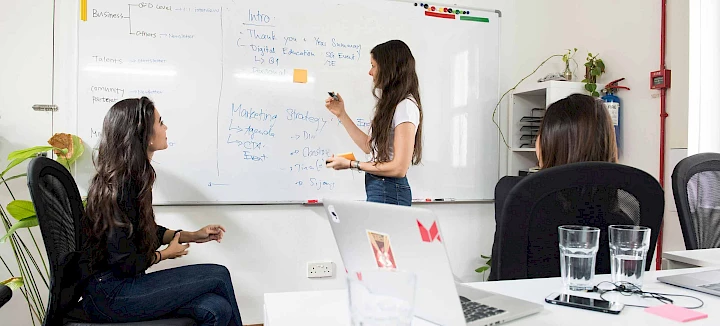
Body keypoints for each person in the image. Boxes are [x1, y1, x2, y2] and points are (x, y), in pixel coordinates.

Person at [81, 97, 243, 325]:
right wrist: (166, 254)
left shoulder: (133, 178)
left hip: (122, 286)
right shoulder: (120, 186)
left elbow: (143, 231)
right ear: (143, 134)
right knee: (218, 274)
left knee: (216, 309)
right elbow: (124, 262)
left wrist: (192, 236)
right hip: (111, 294)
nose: (165, 128)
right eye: (160, 122)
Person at [489, 93, 625, 281]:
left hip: (532, 307)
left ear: (549, 142)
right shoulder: (623, 215)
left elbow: (499, 278)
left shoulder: (515, 193)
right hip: (602, 306)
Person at [324, 40, 423, 206]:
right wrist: (342, 114)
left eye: (373, 66)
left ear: (389, 68)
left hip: (390, 191)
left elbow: (399, 168)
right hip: (379, 187)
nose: (370, 72)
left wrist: (351, 164)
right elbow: (370, 147)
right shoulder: (393, 105)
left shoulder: (405, 106)